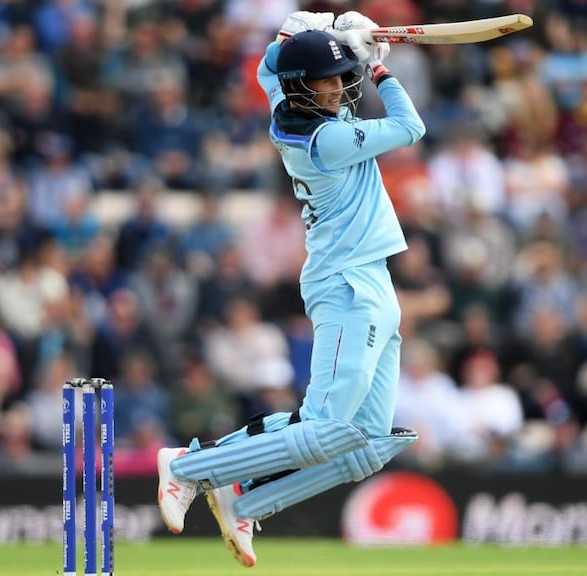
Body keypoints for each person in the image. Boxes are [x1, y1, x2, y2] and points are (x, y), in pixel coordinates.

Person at [156, 10, 425, 567]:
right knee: (325, 427)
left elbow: (266, 70)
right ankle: (188, 467)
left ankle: (244, 501)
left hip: (371, 278)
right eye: (326, 82)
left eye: (339, 79)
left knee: (368, 443)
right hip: (347, 283)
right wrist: (375, 69)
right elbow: (410, 127)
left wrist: (322, 35)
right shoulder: (324, 139)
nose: (336, 90)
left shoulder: (288, 101)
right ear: (304, 89)